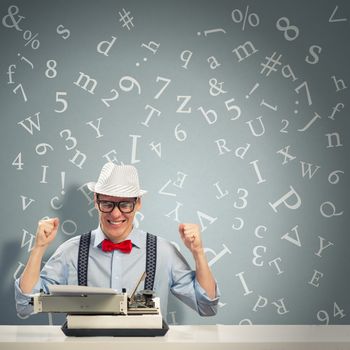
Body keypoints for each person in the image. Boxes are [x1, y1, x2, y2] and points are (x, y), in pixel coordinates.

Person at [15, 163, 220, 319]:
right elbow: (26, 305)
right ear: (95, 201)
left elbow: (207, 306)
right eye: (107, 203)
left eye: (125, 205)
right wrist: (38, 248)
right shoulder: (70, 251)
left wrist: (198, 253)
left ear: (138, 204)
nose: (115, 214)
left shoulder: (163, 251)